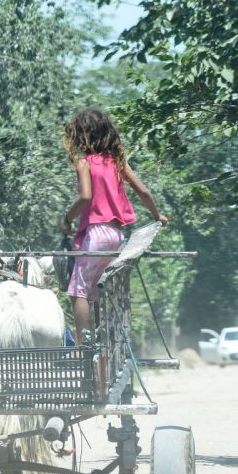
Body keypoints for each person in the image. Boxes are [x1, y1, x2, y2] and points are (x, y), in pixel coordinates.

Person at [60, 108, 167, 345]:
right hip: (117, 236)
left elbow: (85, 197)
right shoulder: (118, 163)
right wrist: (157, 215)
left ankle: (82, 348)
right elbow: (144, 191)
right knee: (97, 290)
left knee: (78, 289)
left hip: (96, 234)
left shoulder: (84, 163)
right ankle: (102, 346)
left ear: (81, 136)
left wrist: (67, 219)